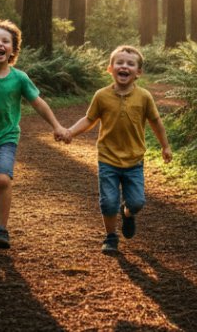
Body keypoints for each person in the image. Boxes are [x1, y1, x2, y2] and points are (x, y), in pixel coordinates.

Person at [0, 18, 69, 249]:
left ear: (12, 50)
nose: (0, 44)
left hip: (6, 138)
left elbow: (38, 103)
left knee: (2, 179)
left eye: (5, 41)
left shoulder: (19, 78)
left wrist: (56, 126)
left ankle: (1, 229)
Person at [61, 45, 173, 254]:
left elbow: (156, 122)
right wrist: (70, 132)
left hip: (134, 160)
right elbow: (89, 119)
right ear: (110, 69)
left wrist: (165, 146)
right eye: (119, 63)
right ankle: (111, 236)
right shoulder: (101, 96)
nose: (124, 66)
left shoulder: (144, 97)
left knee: (137, 202)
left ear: (138, 72)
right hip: (108, 159)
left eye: (130, 64)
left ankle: (128, 214)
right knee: (109, 202)